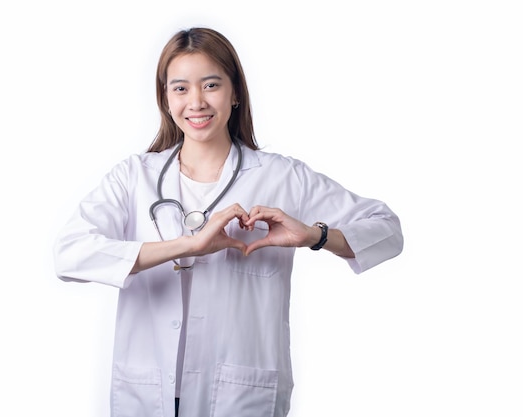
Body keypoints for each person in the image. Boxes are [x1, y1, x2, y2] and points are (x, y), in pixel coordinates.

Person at [53, 27, 403, 417]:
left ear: (235, 93)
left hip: (239, 395)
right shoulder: (135, 177)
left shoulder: (282, 178)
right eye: (181, 88)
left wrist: (316, 236)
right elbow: (70, 254)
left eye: (211, 85)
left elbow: (386, 229)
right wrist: (189, 244)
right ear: (165, 98)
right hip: (148, 392)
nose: (197, 102)